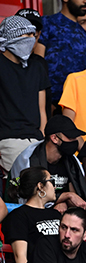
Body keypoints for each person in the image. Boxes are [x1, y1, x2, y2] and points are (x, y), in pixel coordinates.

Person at [3, 167, 85, 263]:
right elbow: (20, 256)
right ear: (40, 186)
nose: (55, 187)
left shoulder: (55, 214)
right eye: (51, 181)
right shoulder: (19, 216)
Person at [0, 16, 49, 173]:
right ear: (12, 36)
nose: (32, 39)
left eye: (33, 35)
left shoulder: (37, 67)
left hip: (36, 140)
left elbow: (42, 109)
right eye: (27, 34)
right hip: (9, 140)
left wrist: (42, 137)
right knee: (24, 184)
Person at [10, 115, 86, 204]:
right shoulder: (29, 159)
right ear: (54, 138)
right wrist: (65, 197)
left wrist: (63, 203)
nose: (75, 141)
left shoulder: (71, 161)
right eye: (70, 137)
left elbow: (76, 196)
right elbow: (31, 199)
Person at [33, 0, 86, 105]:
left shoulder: (84, 33)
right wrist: (44, 99)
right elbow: (37, 63)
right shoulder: (47, 23)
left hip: (79, 101)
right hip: (51, 101)